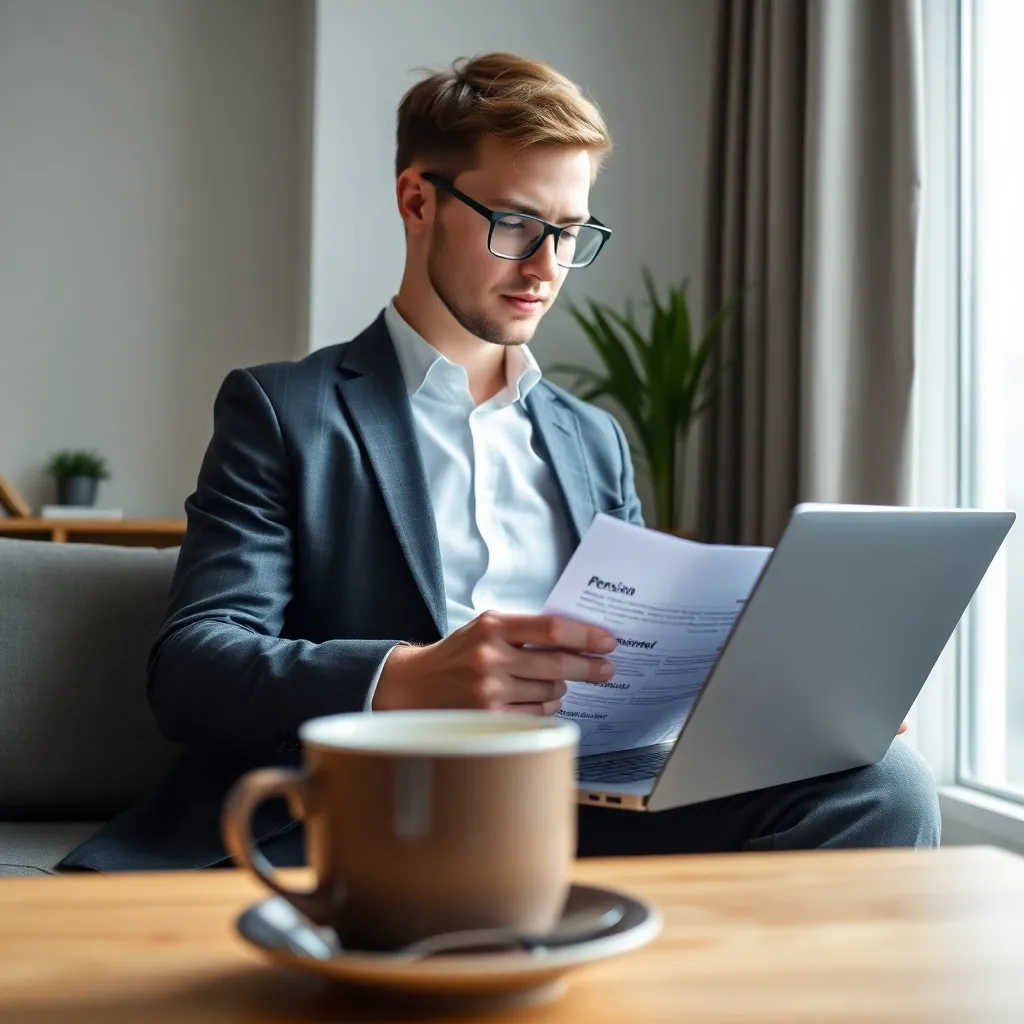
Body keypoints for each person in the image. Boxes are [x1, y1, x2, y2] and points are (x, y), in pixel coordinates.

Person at [62, 52, 938, 873]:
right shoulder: (284, 410)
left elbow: (636, 660)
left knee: (882, 784)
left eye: (570, 232)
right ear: (418, 201)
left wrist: (787, 711)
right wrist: (406, 677)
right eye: (517, 225)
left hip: (574, 802)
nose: (547, 267)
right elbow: (193, 667)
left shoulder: (593, 439)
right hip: (377, 801)